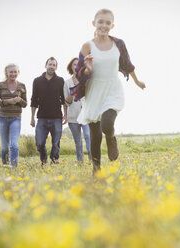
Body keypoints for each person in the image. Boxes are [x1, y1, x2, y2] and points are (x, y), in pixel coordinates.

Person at [71, 9, 146, 175]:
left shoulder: (118, 44)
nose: (104, 25)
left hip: (113, 89)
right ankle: (96, 170)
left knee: (107, 124)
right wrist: (86, 70)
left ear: (112, 25)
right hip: (93, 91)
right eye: (100, 22)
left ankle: (111, 138)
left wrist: (137, 81)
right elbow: (78, 71)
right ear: (94, 23)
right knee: (95, 134)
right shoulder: (87, 46)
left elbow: (128, 64)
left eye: (107, 22)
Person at [30, 57, 66, 166]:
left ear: (56, 67)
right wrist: (32, 117)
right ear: (45, 65)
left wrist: (66, 115)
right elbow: (34, 99)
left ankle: (54, 161)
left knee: (56, 143)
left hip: (56, 117)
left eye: (54, 65)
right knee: (39, 143)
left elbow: (63, 99)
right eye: (50, 64)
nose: (51, 67)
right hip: (42, 118)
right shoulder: (37, 81)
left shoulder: (60, 80)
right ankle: (44, 159)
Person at [0, 64, 27, 168]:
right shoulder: (0, 85)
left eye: (15, 72)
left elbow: (25, 104)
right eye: (11, 72)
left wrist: (19, 100)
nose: (13, 74)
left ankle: (14, 167)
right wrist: (8, 101)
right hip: (2, 118)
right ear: (6, 73)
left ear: (18, 72)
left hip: (16, 118)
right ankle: (5, 164)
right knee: (4, 147)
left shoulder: (22, 86)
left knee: (14, 145)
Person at [63, 57, 91, 163]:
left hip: (85, 115)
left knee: (88, 136)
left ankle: (92, 159)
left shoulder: (87, 81)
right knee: (78, 141)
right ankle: (80, 162)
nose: (76, 66)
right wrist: (71, 94)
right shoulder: (67, 83)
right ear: (71, 67)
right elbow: (67, 103)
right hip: (73, 117)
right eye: (74, 64)